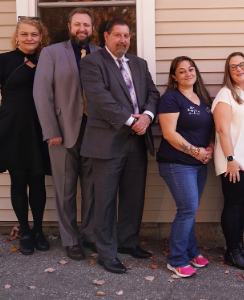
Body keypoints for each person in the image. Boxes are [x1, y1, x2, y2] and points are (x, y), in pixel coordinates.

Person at [79, 19, 160, 274]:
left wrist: (147, 116)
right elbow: (99, 98)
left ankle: (127, 242)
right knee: (104, 200)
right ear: (106, 36)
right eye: (118, 35)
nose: (123, 40)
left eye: (126, 36)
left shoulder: (139, 63)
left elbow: (153, 94)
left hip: (137, 140)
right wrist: (130, 121)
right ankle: (106, 252)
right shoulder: (92, 62)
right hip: (107, 141)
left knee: (133, 196)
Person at [33, 8, 99, 261]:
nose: (82, 29)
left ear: (92, 29)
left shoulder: (101, 54)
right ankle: (70, 239)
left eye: (86, 25)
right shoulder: (51, 53)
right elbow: (42, 94)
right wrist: (51, 131)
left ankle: (90, 235)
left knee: (92, 188)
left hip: (94, 132)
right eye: (77, 24)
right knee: (65, 188)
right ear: (70, 26)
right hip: (62, 131)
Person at [0, 17, 51, 255]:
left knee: (38, 180)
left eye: (34, 34)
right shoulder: (2, 60)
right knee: (19, 179)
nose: (29, 38)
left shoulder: (47, 60)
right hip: (11, 126)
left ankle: (39, 230)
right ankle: (25, 231)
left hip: (40, 126)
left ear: (41, 37)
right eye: (24, 34)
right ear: (16, 36)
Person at [157, 56, 214, 278]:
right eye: (181, 71)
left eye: (191, 69)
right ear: (174, 76)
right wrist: (195, 151)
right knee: (187, 208)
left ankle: (191, 250)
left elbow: (209, 128)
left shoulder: (202, 99)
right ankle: (177, 258)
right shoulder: (171, 98)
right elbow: (169, 133)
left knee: (191, 209)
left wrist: (208, 147)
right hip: (176, 162)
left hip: (199, 163)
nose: (188, 73)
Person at [212, 52, 244, 270]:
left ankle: (239, 248)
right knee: (233, 204)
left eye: (242, 65)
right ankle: (232, 252)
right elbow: (222, 129)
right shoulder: (225, 94)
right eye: (233, 67)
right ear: (228, 72)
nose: (239, 69)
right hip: (235, 161)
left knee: (240, 204)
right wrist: (230, 158)